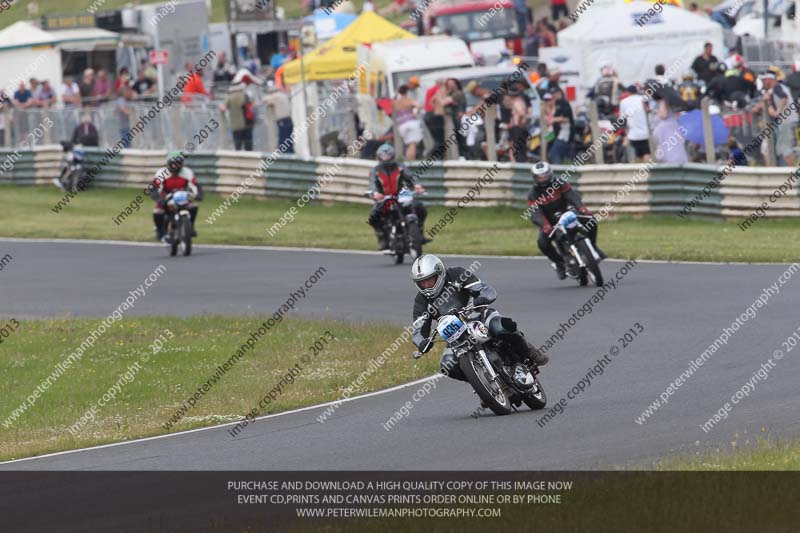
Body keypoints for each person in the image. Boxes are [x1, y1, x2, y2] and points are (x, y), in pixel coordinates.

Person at [410, 254, 548, 390]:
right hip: (454, 336)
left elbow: (486, 289)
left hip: (478, 315)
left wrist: (481, 298)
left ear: (439, 273)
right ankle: (485, 384)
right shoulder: (420, 301)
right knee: (447, 366)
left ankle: (529, 351)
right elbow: (418, 331)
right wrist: (422, 343)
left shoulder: (457, 274)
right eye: (422, 282)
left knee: (503, 327)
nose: (426, 285)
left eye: (430, 280)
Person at [527, 162, 604, 280]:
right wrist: (545, 225)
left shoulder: (560, 184)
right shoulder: (533, 194)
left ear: (550, 174)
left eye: (545, 176)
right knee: (542, 243)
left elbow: (572, 196)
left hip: (568, 214)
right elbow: (535, 213)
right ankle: (559, 263)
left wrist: (582, 209)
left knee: (591, 220)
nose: (543, 179)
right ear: (534, 178)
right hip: (550, 222)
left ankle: (592, 247)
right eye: (539, 177)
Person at [367, 144, 428, 252]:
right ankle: (383, 239)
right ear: (379, 156)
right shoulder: (375, 171)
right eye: (383, 155)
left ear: (392, 155)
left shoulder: (400, 167)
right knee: (373, 216)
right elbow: (372, 184)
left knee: (420, 208)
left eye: (388, 155)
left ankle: (419, 234)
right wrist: (375, 193)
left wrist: (416, 186)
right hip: (384, 198)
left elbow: (410, 177)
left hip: (400, 196)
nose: (386, 157)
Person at [151, 151, 200, 242]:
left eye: (178, 163)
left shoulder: (188, 172)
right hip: (166, 197)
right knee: (157, 212)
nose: (176, 166)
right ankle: (160, 232)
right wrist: (158, 199)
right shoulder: (161, 173)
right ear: (169, 163)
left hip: (182, 196)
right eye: (174, 163)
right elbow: (154, 189)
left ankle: (191, 227)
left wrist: (198, 195)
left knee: (193, 207)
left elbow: (195, 185)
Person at [619, 85, 651, 162]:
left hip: (633, 135)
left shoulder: (624, 102)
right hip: (646, 133)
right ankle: (648, 172)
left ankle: (639, 171)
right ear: (637, 91)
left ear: (628, 92)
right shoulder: (643, 99)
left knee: (637, 156)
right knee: (647, 153)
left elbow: (622, 119)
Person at [262, 80, 294, 153]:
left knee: (283, 138)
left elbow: (264, 100)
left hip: (282, 120)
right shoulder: (282, 95)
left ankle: (283, 155)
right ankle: (291, 153)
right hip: (289, 119)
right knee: (289, 139)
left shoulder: (274, 97)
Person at [393, 84, 423, 160]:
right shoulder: (409, 100)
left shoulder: (395, 102)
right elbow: (418, 106)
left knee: (408, 144)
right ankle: (411, 161)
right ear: (407, 92)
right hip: (411, 122)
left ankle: (408, 160)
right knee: (412, 144)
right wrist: (415, 112)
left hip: (401, 125)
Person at [220, 82, 252, 151]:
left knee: (238, 145)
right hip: (248, 123)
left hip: (236, 125)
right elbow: (253, 105)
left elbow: (223, 108)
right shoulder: (246, 95)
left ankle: (238, 160)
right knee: (248, 145)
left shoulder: (230, 97)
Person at [549, 87, 574, 163]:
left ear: (559, 94)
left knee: (555, 153)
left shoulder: (562, 103)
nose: (553, 96)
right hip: (559, 136)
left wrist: (554, 120)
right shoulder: (556, 103)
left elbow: (566, 118)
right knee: (546, 140)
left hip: (563, 136)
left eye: (554, 94)